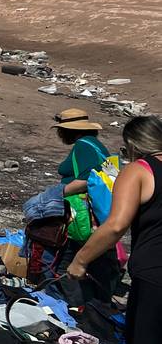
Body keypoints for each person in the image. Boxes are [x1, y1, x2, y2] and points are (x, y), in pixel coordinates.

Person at [67, 116, 162, 344]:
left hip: (153, 276)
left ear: (133, 145)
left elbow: (116, 225)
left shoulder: (138, 170)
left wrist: (80, 260)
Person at [50, 109, 119, 299]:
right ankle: (97, 301)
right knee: (96, 259)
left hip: (82, 213)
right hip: (98, 212)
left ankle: (77, 306)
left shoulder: (82, 146)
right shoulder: (96, 145)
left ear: (69, 130)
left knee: (66, 260)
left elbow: (86, 179)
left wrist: (54, 194)